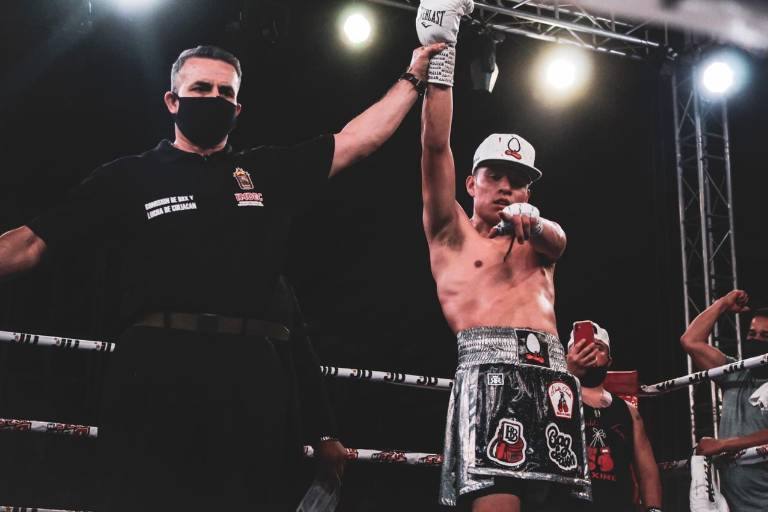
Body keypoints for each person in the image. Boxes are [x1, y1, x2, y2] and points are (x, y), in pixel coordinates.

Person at [0, 43, 444, 509]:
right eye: (200, 88)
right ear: (172, 101)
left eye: (224, 92)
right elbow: (32, 242)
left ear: (237, 108)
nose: (213, 98)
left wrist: (413, 75)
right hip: (155, 370)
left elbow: (358, 139)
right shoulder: (129, 177)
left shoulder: (265, 171)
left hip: (252, 377)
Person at [415, 1, 589, 510]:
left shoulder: (537, 240)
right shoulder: (450, 235)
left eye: (518, 181)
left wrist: (534, 221)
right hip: (489, 374)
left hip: (554, 376)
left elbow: (560, 241)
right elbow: (434, 148)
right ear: (472, 183)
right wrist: (443, 57)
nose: (507, 187)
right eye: (495, 176)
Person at [680, 290, 768, 512]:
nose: (756, 340)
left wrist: (724, 444)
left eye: (765, 336)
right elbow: (690, 340)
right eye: (752, 334)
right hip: (736, 505)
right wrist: (722, 304)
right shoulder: (735, 374)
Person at [566, 322, 663, 512]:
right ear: (568, 356)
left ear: (609, 361)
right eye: (582, 346)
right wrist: (568, 375)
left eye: (598, 347)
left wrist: (654, 510)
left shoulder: (629, 411)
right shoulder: (554, 398)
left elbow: (647, 472)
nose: (590, 351)